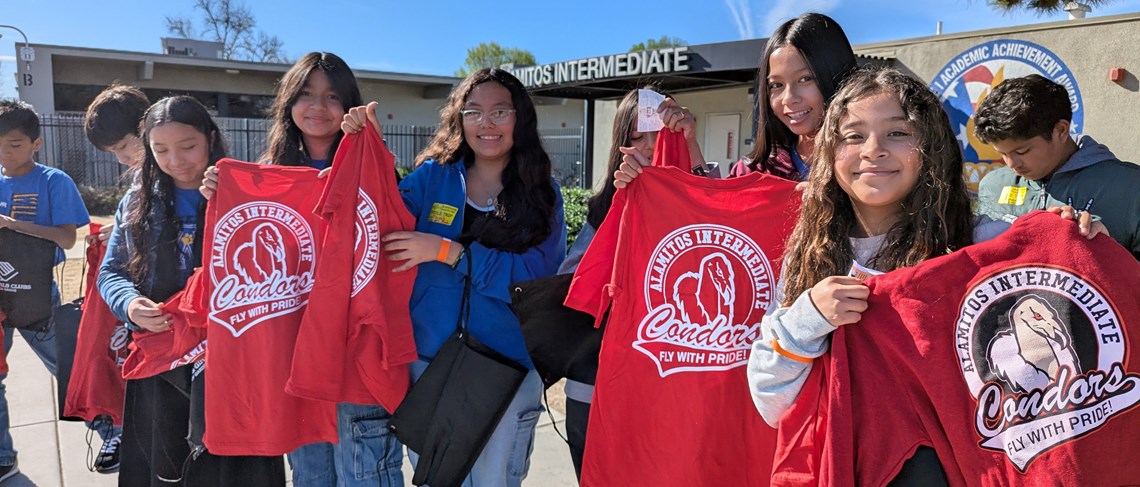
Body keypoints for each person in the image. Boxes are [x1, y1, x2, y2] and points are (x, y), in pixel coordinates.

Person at [745, 67, 1108, 484]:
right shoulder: (812, 255)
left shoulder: (977, 241)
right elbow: (771, 404)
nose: (873, 150)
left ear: (931, 145)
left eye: (898, 133)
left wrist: (1068, 238)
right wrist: (808, 319)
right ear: (830, 150)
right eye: (853, 135)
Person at [343, 67, 565, 486]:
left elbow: (535, 283)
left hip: (507, 369)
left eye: (501, 111)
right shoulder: (433, 178)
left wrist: (450, 253)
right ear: (459, 119)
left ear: (521, 118)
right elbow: (381, 212)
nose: (487, 123)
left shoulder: (543, 194)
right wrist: (374, 149)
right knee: (435, 478)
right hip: (430, 363)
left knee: (496, 480)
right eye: (474, 111)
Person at [200, 51, 404, 487]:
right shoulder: (264, 180)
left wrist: (373, 150)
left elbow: (389, 236)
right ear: (289, 102)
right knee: (310, 476)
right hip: (294, 357)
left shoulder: (374, 168)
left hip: (353, 352)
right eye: (307, 94)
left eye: (333, 97)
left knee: (365, 474)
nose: (318, 107)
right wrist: (221, 196)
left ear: (349, 104)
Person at [561, 86, 710, 479]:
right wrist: (623, 209)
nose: (647, 148)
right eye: (636, 138)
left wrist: (690, 148)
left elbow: (719, 218)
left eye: (660, 135)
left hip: (669, 393)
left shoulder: (700, 202)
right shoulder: (604, 205)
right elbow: (574, 285)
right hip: (594, 388)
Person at [0, 100, 91, 483]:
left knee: (71, 370)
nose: (5, 153)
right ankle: (4, 459)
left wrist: (12, 225)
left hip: (38, 295)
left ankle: (114, 433)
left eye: (15, 144)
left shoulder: (54, 180)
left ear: (36, 143)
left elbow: (68, 239)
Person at [972, 74, 1140, 259]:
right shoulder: (993, 186)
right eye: (1002, 153)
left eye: (1022, 152)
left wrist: (1105, 250)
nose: (1012, 164)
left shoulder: (1131, 187)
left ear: (1061, 130)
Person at [80, 83, 150, 472]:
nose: (124, 159)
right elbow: (113, 270)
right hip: (144, 315)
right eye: (115, 154)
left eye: (126, 147)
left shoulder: (197, 178)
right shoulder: (134, 194)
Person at [729, 12, 857, 180]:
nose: (788, 98)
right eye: (776, 85)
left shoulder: (871, 164)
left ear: (838, 75)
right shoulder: (753, 173)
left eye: (805, 79)